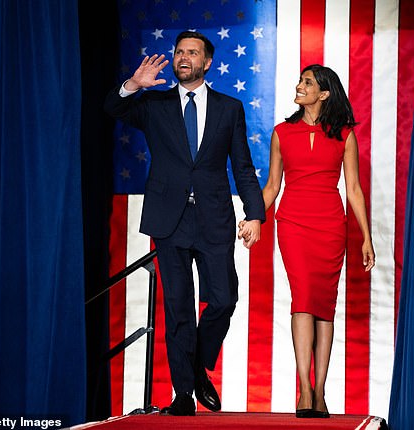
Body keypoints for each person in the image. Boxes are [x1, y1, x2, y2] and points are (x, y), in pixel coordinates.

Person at [105, 31, 265, 416]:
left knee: (224, 298)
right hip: (168, 219)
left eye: (192, 53)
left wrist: (255, 213)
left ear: (207, 62)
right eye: (179, 52)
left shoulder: (230, 108)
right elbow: (112, 109)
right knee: (178, 309)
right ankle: (182, 394)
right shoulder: (155, 104)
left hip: (214, 218)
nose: (183, 57)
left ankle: (196, 366)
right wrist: (131, 86)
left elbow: (242, 166)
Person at [238, 64, 375, 418]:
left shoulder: (345, 135)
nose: (299, 86)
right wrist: (255, 217)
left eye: (307, 82)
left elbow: (355, 190)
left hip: (331, 226)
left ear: (324, 94)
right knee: (302, 299)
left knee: (324, 305)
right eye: (300, 80)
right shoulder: (282, 132)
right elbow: (271, 186)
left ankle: (321, 391)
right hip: (294, 223)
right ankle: (304, 388)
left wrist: (366, 238)